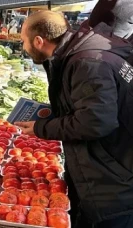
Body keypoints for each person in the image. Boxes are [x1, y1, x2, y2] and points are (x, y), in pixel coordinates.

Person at [16, 10, 133, 228]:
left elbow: (95, 121)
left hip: (114, 182)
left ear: (39, 41)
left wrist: (43, 127)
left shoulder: (88, 64)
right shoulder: (82, 54)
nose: (23, 47)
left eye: (23, 41)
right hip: (108, 169)